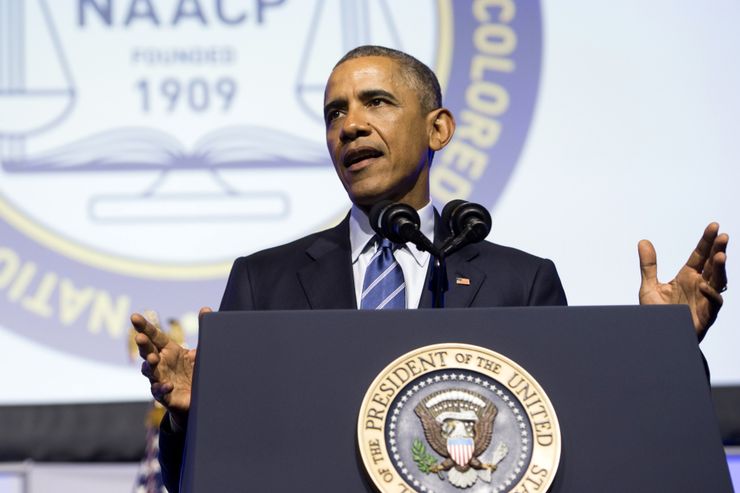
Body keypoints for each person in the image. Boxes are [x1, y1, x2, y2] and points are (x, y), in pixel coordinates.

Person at [132, 46, 729, 492]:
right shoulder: (265, 281)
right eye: (334, 112)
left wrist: (666, 352)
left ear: (437, 128)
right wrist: (197, 415)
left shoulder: (522, 282)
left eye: (377, 103)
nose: (350, 125)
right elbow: (217, 476)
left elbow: (573, 446)